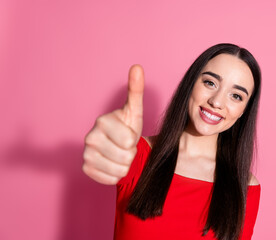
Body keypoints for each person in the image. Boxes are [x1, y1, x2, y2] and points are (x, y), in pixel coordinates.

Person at [82, 43, 262, 240]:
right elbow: (108, 156)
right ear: (191, 83)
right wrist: (105, 144)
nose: (217, 102)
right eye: (210, 83)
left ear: (244, 110)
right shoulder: (138, 155)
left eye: (236, 96)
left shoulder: (245, 187)